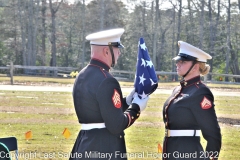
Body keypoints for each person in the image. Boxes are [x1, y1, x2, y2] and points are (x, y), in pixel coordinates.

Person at [69, 28, 149, 160]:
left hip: (84, 144)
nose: (119, 53)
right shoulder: (107, 80)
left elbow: (102, 109)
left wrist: (127, 102)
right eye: (117, 49)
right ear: (107, 51)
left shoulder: (82, 75)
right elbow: (116, 125)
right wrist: (136, 108)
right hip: (103, 148)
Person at [162, 41, 222, 160]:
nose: (177, 64)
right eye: (178, 61)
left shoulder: (200, 92)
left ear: (195, 66)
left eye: (183, 62)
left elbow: (213, 134)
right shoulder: (178, 89)